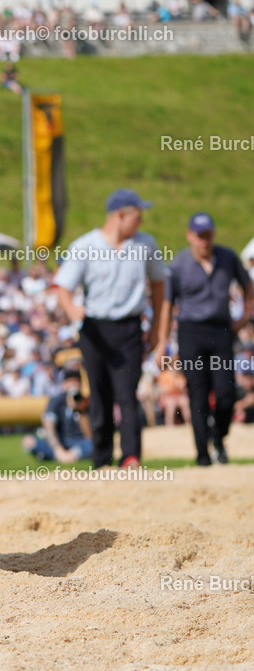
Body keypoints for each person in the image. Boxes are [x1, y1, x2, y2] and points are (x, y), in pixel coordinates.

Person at [54, 188, 167, 469]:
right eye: (137, 216)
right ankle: (102, 458)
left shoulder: (145, 245)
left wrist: (157, 332)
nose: (140, 223)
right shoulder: (85, 246)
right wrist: (71, 309)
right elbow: (63, 287)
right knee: (99, 395)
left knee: (128, 395)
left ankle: (131, 457)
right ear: (120, 215)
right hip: (94, 330)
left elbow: (160, 287)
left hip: (129, 328)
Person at [159, 212, 253, 465]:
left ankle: (218, 436)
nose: (204, 241)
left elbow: (248, 286)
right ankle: (202, 454)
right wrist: (162, 341)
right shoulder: (179, 264)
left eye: (208, 235)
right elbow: (167, 304)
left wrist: (245, 315)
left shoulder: (228, 258)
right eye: (200, 236)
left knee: (225, 394)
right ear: (190, 235)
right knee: (198, 394)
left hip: (222, 332)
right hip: (191, 333)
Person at [22, 368, 93, 463]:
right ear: (64, 384)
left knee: (94, 444)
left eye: (76, 382)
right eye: (70, 382)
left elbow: (89, 435)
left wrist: (80, 410)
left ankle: (61, 456)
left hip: (80, 442)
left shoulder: (86, 402)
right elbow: (49, 427)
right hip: (61, 441)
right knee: (28, 441)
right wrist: (58, 449)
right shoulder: (56, 401)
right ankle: (63, 456)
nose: (73, 386)